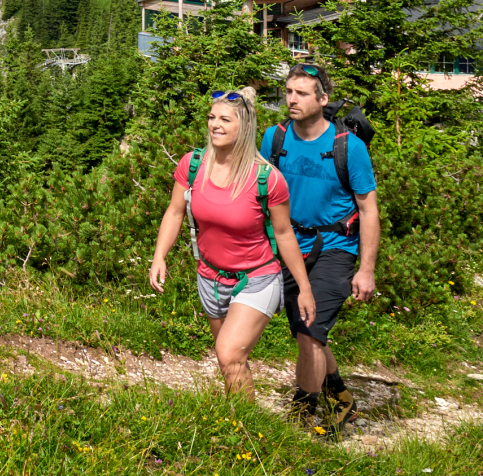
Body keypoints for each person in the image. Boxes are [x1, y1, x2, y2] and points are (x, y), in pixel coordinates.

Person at [149, 89, 316, 396]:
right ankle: (243, 430)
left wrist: (304, 289)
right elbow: (174, 212)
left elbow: (283, 235)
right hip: (210, 277)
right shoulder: (193, 164)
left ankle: (243, 430)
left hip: (257, 278)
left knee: (228, 352)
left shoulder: (267, 178)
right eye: (212, 118)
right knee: (230, 362)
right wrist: (159, 256)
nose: (215, 125)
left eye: (225, 119)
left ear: (245, 126)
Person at [265, 63, 378, 432]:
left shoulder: (348, 146)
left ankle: (302, 416)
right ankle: (341, 396)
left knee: (309, 330)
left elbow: (368, 208)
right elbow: (261, 192)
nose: (291, 99)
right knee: (305, 328)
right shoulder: (275, 138)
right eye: (289, 91)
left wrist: (366, 269)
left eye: (301, 93)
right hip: (289, 247)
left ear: (322, 99)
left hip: (335, 246)